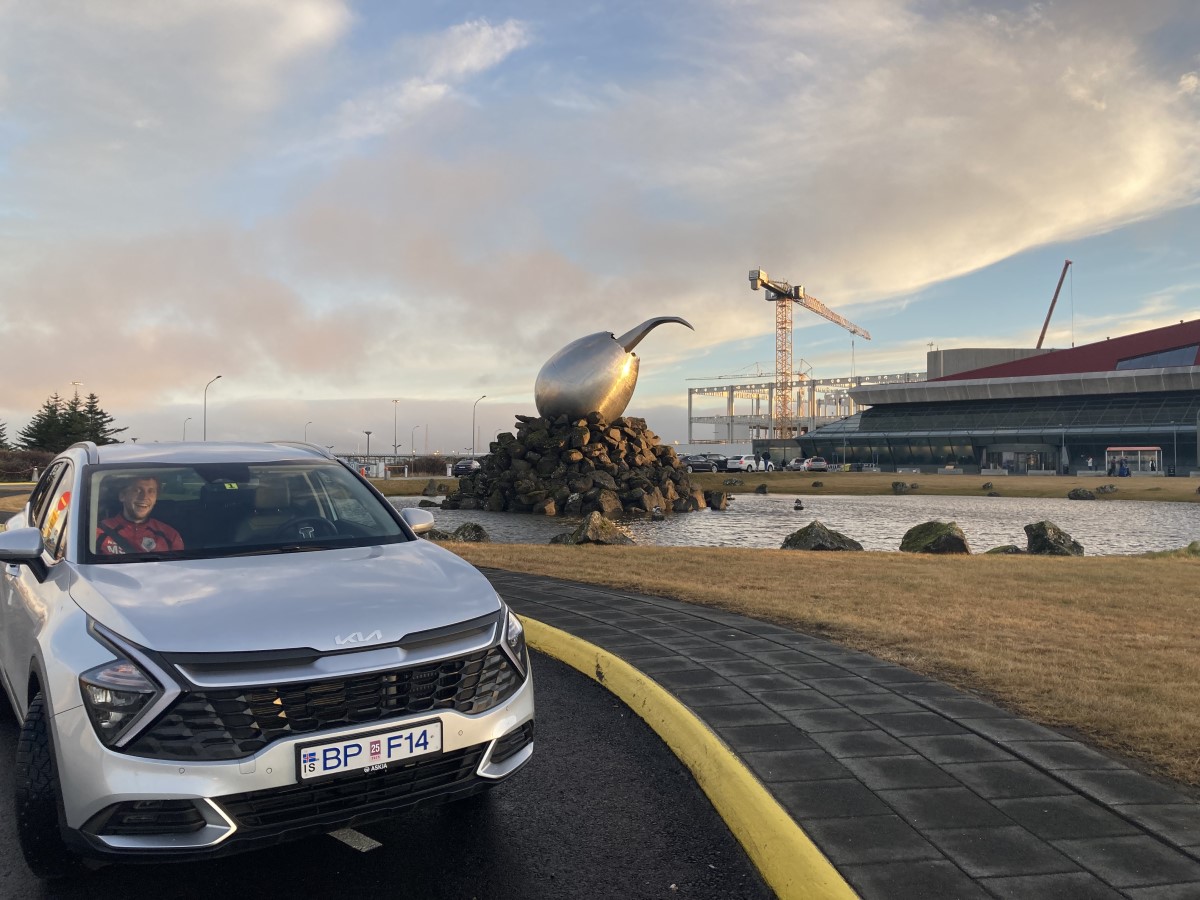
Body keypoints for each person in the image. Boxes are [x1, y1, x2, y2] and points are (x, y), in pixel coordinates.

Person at [96, 475, 184, 554]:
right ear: (122, 496)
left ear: (156, 499)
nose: (144, 497)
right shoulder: (99, 532)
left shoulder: (169, 535)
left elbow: (179, 569)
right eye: (137, 490)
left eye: (151, 491)